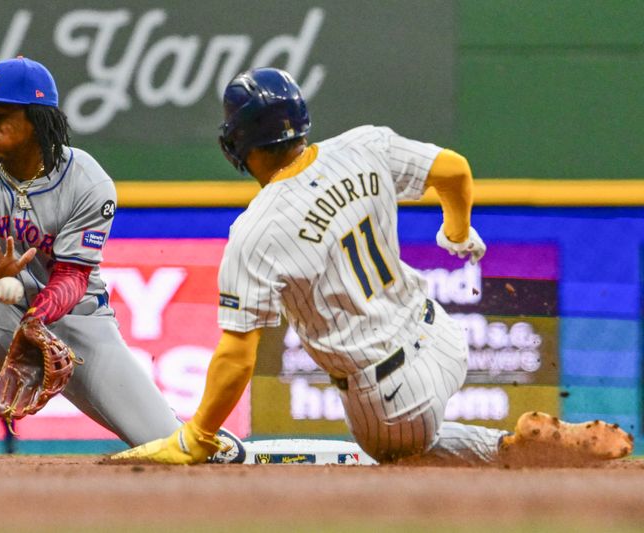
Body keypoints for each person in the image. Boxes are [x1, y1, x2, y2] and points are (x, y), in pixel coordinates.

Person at [111, 67, 634, 465]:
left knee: (401, 455)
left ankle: (510, 452)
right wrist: (455, 227)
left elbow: (235, 357)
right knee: (424, 439)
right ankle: (522, 447)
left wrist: (197, 435)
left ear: (238, 144)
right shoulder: (364, 146)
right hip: (444, 339)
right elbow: (453, 168)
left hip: (389, 397)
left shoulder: (257, 230)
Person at [0, 57, 244, 464]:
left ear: (37, 120)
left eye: (1, 114)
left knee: (175, 448)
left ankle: (208, 440)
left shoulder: (88, 182)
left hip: (78, 328)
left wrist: (38, 320)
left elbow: (73, 277)